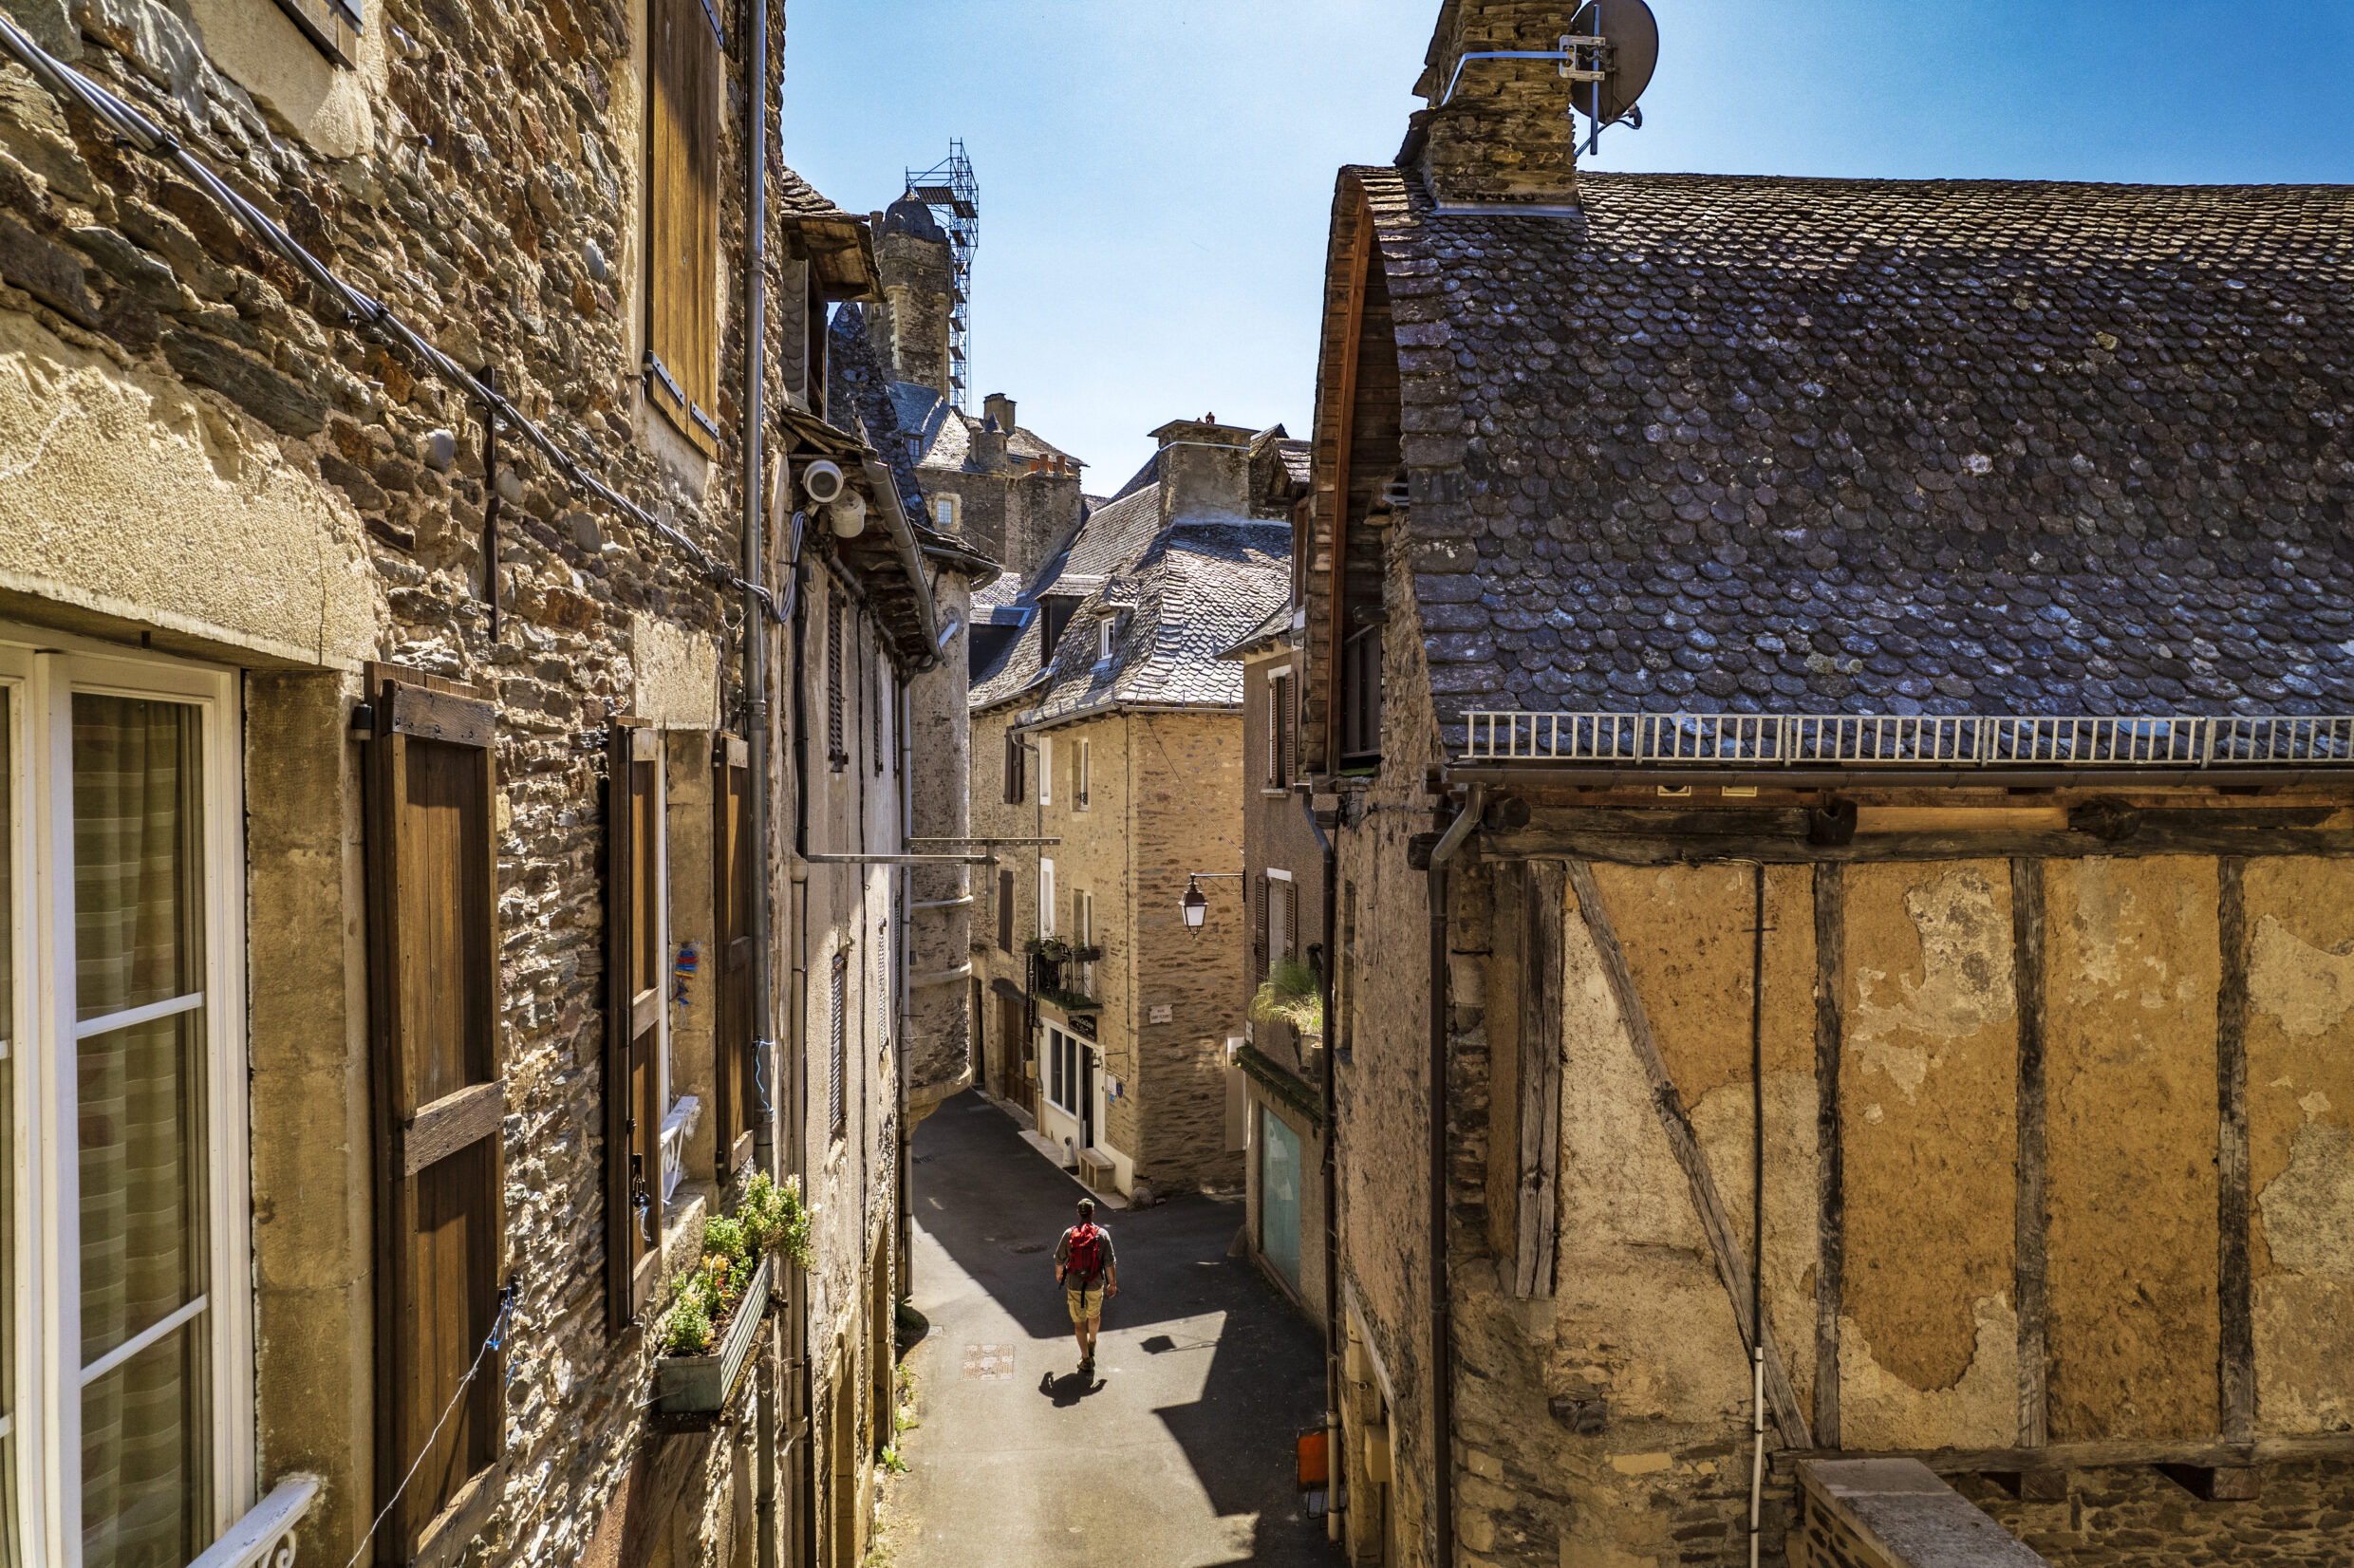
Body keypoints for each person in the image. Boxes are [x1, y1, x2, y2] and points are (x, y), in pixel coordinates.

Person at [1054, 1197, 1117, 1374]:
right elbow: (1110, 1262)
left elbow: (1059, 1258)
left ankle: (1086, 1358)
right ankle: (1092, 1342)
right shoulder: (1102, 1235)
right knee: (1094, 1316)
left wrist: (1059, 1273)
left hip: (1074, 1284)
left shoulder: (1069, 1233)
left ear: (1078, 1213)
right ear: (1092, 1212)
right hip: (1095, 1283)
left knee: (1079, 1323)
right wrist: (1112, 1284)